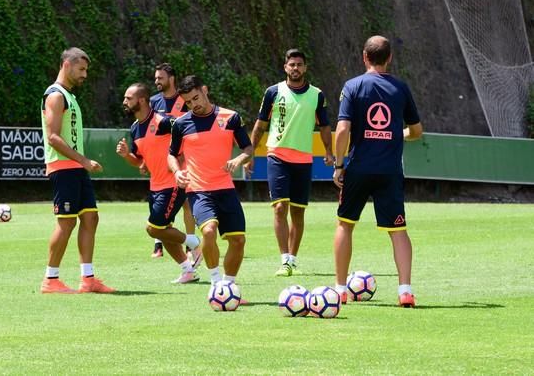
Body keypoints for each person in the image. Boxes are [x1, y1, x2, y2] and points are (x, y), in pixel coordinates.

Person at [332, 35, 423, 308]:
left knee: (345, 225)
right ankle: (405, 290)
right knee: (398, 230)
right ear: (390, 58)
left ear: (364, 57)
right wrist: (398, 134)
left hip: (358, 169)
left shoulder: (353, 86)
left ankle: (339, 290)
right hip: (390, 171)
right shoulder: (401, 88)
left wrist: (339, 165)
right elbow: (417, 131)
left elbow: (343, 129)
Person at [246, 48, 334, 276]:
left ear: (305, 68)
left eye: (299, 65)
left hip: (303, 159)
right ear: (285, 67)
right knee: (279, 208)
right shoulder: (273, 92)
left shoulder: (317, 95)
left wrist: (328, 152)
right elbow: (260, 125)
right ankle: (284, 259)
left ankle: (293, 259)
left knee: (298, 212)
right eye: (291, 64)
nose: (295, 68)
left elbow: (324, 126)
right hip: (277, 155)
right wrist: (250, 154)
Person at [39, 47, 115, 294]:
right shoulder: (55, 95)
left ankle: (88, 279)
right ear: (66, 65)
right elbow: (52, 137)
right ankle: (50, 280)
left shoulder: (69, 96)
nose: (84, 75)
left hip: (74, 168)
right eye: (81, 69)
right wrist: (84, 160)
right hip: (66, 167)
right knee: (66, 222)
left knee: (91, 217)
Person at [168, 75, 253, 292]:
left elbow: (248, 148)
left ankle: (229, 285)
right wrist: (177, 172)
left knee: (238, 241)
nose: (194, 104)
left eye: (196, 97)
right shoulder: (181, 124)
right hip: (198, 190)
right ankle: (216, 285)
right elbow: (171, 155)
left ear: (205, 90)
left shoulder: (231, 117)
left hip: (226, 189)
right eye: (188, 102)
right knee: (208, 231)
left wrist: (238, 159)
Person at [116, 83, 203, 283]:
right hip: (155, 186)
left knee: (153, 228)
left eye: (128, 98)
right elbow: (139, 162)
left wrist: (182, 164)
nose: (125, 102)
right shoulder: (135, 128)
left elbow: (188, 135)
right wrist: (126, 155)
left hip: (173, 183)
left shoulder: (164, 121)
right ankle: (187, 270)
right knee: (164, 232)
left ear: (142, 100)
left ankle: (194, 243)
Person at [147, 63, 196, 259]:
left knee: (185, 203)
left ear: (172, 78)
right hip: (159, 160)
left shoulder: (184, 100)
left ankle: (190, 243)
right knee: (158, 199)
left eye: (160, 78)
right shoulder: (152, 102)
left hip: (182, 158)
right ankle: (158, 243)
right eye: (156, 78)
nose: (157, 81)